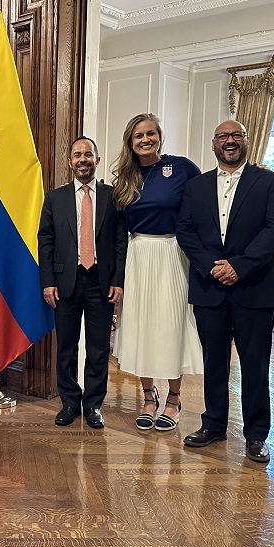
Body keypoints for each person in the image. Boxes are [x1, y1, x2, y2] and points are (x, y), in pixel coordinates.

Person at [176, 119, 274, 463]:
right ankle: (213, 425)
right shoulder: (196, 186)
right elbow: (185, 230)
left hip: (253, 288)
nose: (230, 141)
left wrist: (239, 266)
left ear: (247, 141)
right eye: (223, 136)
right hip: (209, 287)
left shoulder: (270, 181)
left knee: (255, 364)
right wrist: (213, 265)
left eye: (236, 135)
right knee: (214, 362)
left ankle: (256, 435)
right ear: (213, 144)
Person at [111, 114, 204, 432]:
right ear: (130, 141)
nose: (145, 139)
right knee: (141, 327)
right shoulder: (124, 176)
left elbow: (209, 197)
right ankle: (149, 398)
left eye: (151, 133)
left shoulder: (182, 168)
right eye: (138, 135)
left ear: (160, 136)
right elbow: (119, 231)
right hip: (138, 255)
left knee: (171, 326)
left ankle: (174, 400)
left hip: (172, 255)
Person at [38, 136, 127, 429]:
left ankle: (93, 405)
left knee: (99, 347)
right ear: (69, 162)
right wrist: (48, 281)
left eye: (88, 154)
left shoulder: (112, 196)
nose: (83, 159)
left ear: (97, 160)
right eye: (77, 155)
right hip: (66, 282)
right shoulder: (55, 198)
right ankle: (69, 402)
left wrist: (118, 279)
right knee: (66, 345)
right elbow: (46, 240)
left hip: (101, 281)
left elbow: (119, 241)